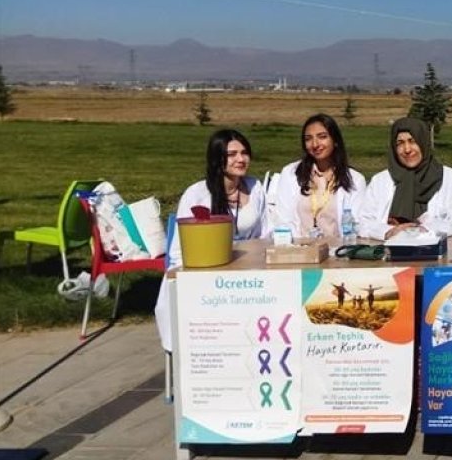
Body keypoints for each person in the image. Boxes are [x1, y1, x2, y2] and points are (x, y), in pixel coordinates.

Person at [156, 128, 270, 351]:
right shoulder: (197, 194)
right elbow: (180, 250)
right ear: (217, 158)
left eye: (244, 152)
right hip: (208, 272)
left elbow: (267, 233)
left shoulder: (255, 187)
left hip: (249, 271)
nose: (241, 159)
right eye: (232, 154)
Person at [357, 118, 452, 240]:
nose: (407, 149)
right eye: (400, 143)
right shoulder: (380, 181)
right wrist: (390, 232)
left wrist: (426, 230)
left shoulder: (449, 178)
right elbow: (363, 223)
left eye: (412, 141)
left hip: (434, 252)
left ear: (423, 142)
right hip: (391, 252)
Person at [273, 113, 366, 239]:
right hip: (300, 250)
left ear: (335, 140)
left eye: (322, 137)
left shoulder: (355, 179)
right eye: (308, 139)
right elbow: (283, 220)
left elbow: (357, 224)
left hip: (337, 251)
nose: (315, 144)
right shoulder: (291, 173)